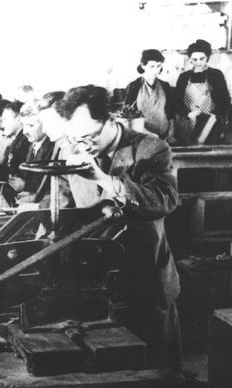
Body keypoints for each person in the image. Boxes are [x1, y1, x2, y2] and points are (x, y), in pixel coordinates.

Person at [56, 85, 181, 370]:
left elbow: (164, 201)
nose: (81, 146)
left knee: (154, 375)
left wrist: (105, 180)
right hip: (95, 282)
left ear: (111, 120)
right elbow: (65, 207)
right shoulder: (72, 148)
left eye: (88, 137)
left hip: (143, 280)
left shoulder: (150, 148)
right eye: (74, 138)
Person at [173, 39, 230, 145]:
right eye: (194, 59)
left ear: (207, 57)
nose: (198, 63)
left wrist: (215, 115)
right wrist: (188, 113)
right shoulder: (184, 77)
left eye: (202, 59)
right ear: (190, 59)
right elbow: (176, 102)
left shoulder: (216, 74)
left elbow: (225, 100)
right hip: (188, 122)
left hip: (210, 123)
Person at [124, 49, 175, 141]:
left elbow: (171, 112)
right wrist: (150, 134)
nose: (155, 70)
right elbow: (128, 116)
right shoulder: (134, 86)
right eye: (152, 66)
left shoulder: (165, 86)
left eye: (158, 66)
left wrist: (171, 131)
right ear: (143, 66)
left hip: (164, 133)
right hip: (142, 135)